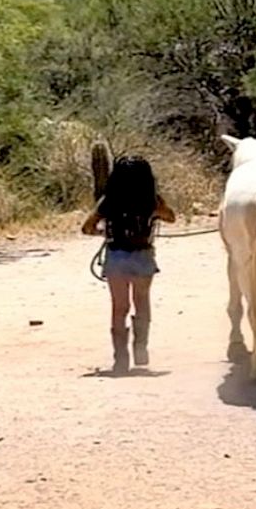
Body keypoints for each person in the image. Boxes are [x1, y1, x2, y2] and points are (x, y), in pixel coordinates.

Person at [81, 156, 176, 373]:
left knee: (119, 308)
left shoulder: (108, 201)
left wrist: (104, 232)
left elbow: (87, 228)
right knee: (141, 302)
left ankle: (120, 358)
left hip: (116, 257)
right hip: (143, 256)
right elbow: (170, 218)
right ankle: (140, 348)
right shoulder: (152, 201)